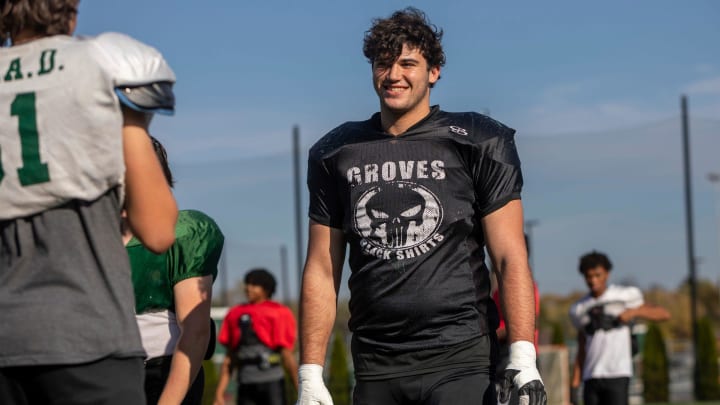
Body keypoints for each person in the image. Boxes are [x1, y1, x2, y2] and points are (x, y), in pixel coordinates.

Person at [298, 7, 546, 405]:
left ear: (434, 71)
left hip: (460, 355)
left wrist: (522, 352)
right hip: (376, 361)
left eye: (407, 63)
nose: (393, 74)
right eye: (383, 63)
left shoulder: (477, 140)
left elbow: (509, 255)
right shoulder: (336, 151)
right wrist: (310, 373)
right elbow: (322, 268)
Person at [0, 1, 178, 404]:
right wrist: (134, 123)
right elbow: (158, 229)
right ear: (72, 14)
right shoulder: (101, 66)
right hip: (88, 337)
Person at [124, 137, 225, 405]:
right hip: (106, 374)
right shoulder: (91, 237)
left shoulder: (184, 232)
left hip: (163, 372)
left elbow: (195, 331)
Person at [569, 251, 670, 405]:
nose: (593, 280)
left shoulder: (624, 296)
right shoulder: (579, 308)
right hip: (591, 375)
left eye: (598, 275)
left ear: (607, 274)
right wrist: (575, 382)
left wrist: (634, 312)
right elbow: (582, 346)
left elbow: (663, 314)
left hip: (617, 372)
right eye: (589, 276)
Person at [214, 269, 298, 405]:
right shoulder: (235, 314)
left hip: (272, 382)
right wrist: (219, 393)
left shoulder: (279, 313)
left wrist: (300, 389)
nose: (248, 288)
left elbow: (287, 355)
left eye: (254, 284)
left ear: (266, 289)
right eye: (247, 284)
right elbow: (230, 358)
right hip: (245, 382)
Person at [492, 235, 540, 405]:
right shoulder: (499, 290)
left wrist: (492, 334)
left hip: (516, 355)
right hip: (501, 355)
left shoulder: (525, 287)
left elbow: (524, 323)